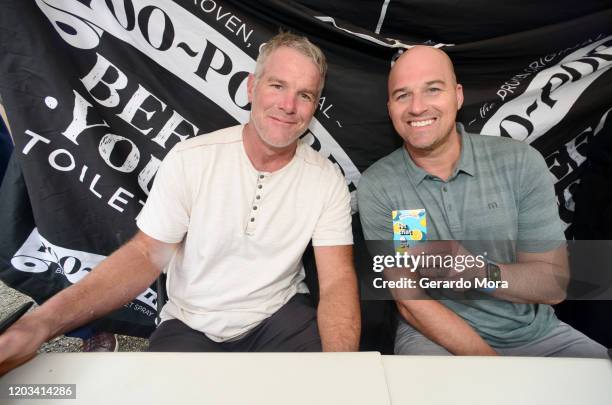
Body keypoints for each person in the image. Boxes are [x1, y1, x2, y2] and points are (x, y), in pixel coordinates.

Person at [0, 32, 360, 375]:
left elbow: (337, 283)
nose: (288, 105)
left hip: (279, 318)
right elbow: (145, 255)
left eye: (305, 95)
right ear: (252, 87)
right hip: (192, 322)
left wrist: (340, 372)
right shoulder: (192, 159)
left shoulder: (325, 179)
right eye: (277, 85)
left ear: (314, 107)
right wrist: (41, 323)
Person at [357, 45, 607, 358]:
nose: (417, 107)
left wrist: (473, 270)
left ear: (457, 96)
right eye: (402, 95)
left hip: (535, 333)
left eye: (432, 89)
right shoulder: (379, 185)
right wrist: (491, 367)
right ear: (390, 106)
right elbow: (411, 301)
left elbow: (552, 285)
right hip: (434, 336)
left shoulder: (520, 162)